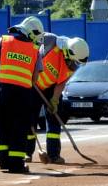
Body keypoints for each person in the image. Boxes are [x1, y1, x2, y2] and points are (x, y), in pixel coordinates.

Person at [0, 16, 44, 173]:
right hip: (23, 94)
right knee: (19, 127)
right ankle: (17, 163)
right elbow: (35, 79)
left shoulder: (4, 40)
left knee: (3, 124)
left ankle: (3, 160)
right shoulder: (34, 49)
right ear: (33, 33)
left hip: (3, 92)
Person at [26, 33, 89, 163]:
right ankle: (27, 153)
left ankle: (53, 155)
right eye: (74, 60)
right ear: (68, 52)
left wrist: (54, 99)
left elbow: (62, 82)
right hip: (33, 85)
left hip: (52, 88)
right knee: (30, 120)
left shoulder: (72, 63)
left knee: (54, 120)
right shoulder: (50, 42)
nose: (75, 64)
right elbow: (31, 45)